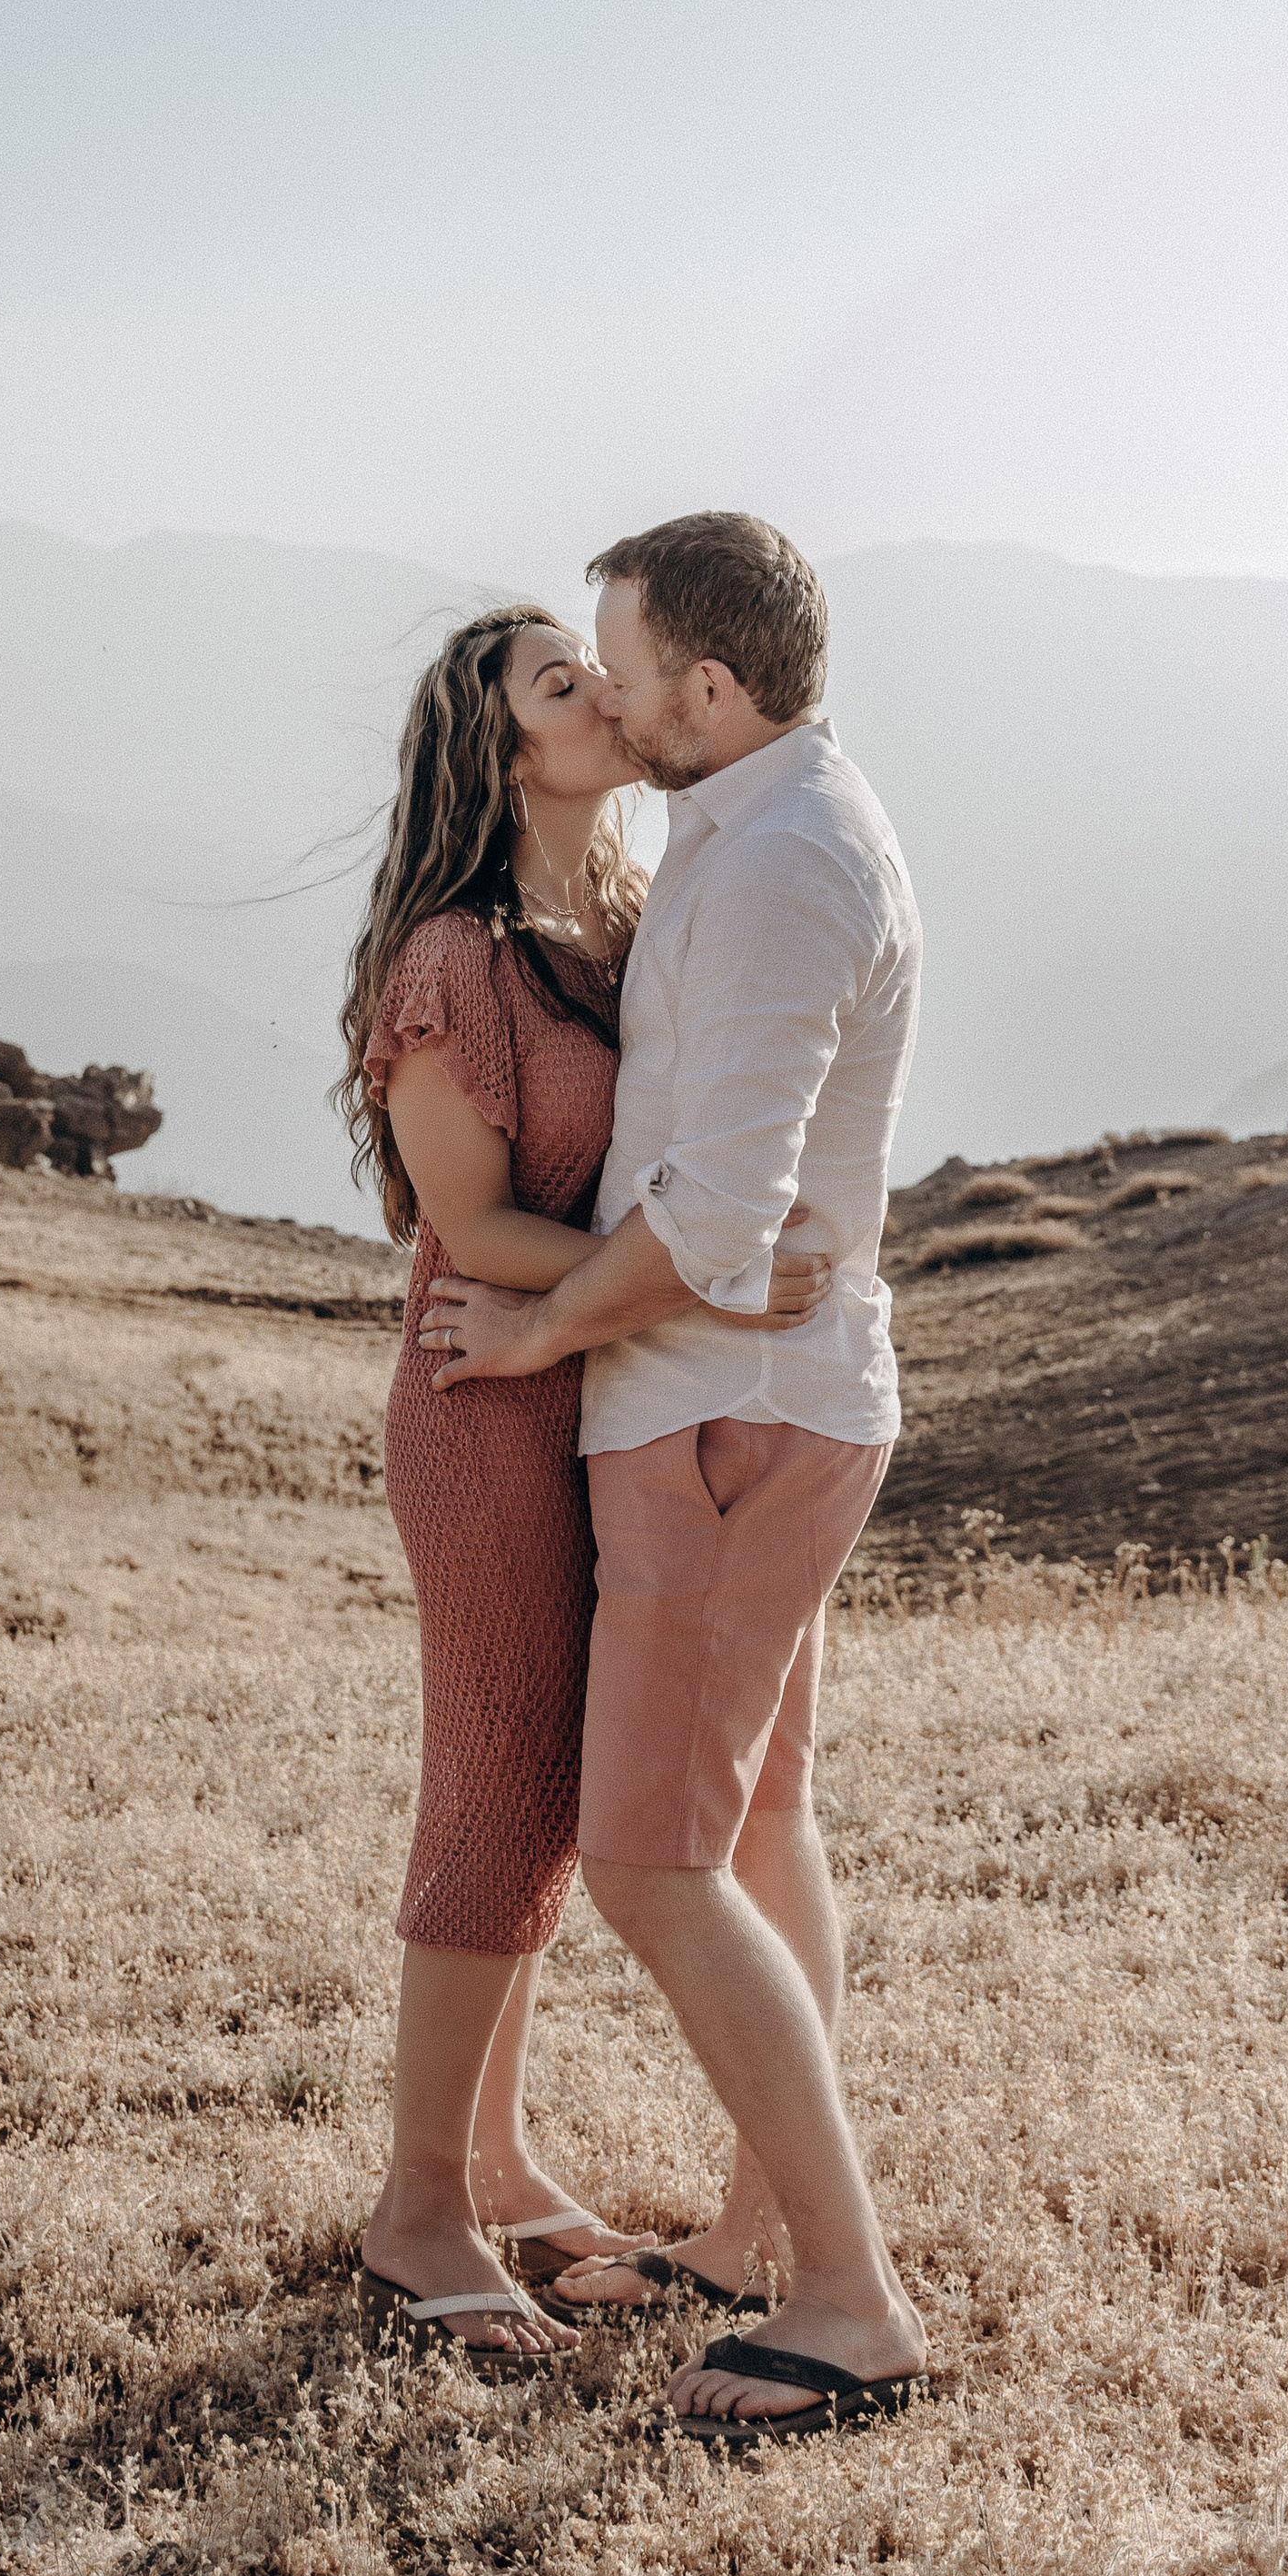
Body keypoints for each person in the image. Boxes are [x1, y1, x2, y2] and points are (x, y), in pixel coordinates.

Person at [423, 512, 930, 2444]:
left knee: (647, 1858)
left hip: (724, 1412)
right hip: (743, 1393)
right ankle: (748, 2238)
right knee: (759, 1823)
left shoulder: (781, 860)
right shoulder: (745, 831)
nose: (607, 690)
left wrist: (546, 1334)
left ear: (707, 691)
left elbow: (719, 1208)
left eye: (622, 661)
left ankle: (849, 2306)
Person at [336, 601, 833, 2368]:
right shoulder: (454, 960)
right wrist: (688, 1270)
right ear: (500, 751)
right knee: (499, 1791)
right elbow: (466, 1227)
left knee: (555, 1792)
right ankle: (417, 2216)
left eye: (592, 666)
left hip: (610, 1390)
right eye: (561, 684)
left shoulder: (629, 920)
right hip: (485, 1405)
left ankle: (495, 2149)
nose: (599, 691)